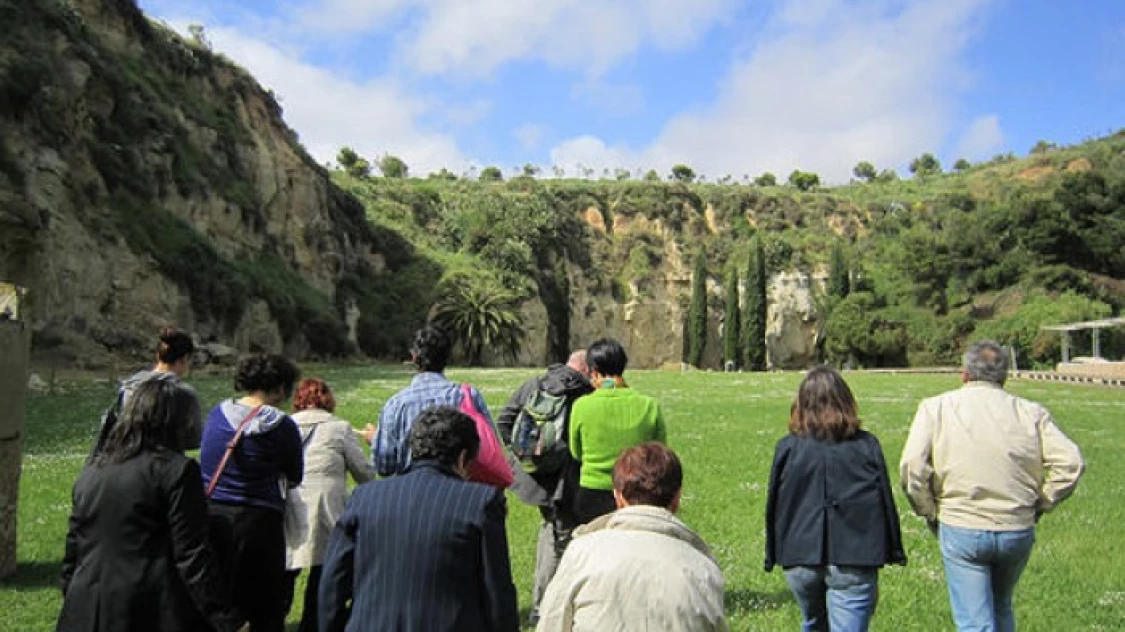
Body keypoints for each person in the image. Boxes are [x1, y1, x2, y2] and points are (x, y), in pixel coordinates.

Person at [900, 341, 1084, 632]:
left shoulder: (936, 408)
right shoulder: (1030, 412)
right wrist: (1042, 501)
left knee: (975, 622)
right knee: (1000, 607)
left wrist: (929, 511)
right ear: (1004, 375)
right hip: (1016, 526)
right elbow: (1071, 463)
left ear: (964, 373)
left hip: (961, 523)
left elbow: (912, 467)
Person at [58, 379, 247, 632]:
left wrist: (72, 593)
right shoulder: (177, 471)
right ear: (175, 420)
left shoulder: (94, 469)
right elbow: (192, 555)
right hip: (146, 608)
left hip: (86, 606)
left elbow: (74, 547)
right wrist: (225, 618)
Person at [319, 406, 519, 632]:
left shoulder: (365, 496)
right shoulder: (480, 502)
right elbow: (497, 591)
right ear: (463, 457)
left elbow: (333, 581)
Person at [764, 366, 905, 632]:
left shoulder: (788, 447)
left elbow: (775, 505)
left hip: (799, 553)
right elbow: (884, 500)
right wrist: (893, 549)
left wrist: (774, 553)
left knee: (813, 623)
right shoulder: (866, 446)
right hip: (854, 554)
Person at [537, 442, 726, 632]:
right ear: (677, 499)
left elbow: (552, 623)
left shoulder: (581, 553)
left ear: (618, 498)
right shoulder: (704, 569)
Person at [200, 353, 304, 632]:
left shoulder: (216, 414)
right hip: (260, 523)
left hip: (213, 517)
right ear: (281, 388)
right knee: (263, 607)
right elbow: (295, 475)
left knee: (221, 602)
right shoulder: (281, 426)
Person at [495, 349, 594, 625]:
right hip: (565, 478)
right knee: (561, 538)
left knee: (552, 530)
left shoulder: (536, 383)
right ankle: (547, 609)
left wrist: (525, 456)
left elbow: (505, 419)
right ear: (586, 369)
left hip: (534, 478)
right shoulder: (583, 393)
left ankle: (546, 606)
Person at [282, 378, 374, 632]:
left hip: (292, 503)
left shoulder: (285, 425)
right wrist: (373, 444)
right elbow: (365, 474)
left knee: (287, 570)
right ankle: (313, 624)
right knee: (324, 574)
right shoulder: (340, 428)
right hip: (327, 507)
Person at [367, 325, 494, 477]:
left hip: (410, 494)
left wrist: (375, 440)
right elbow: (489, 450)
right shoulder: (469, 396)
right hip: (461, 493)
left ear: (414, 357)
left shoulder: (396, 405)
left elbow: (384, 466)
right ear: (447, 357)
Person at [568, 337, 665, 524]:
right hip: (636, 494)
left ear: (594, 372)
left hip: (592, 493)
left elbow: (576, 451)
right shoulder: (649, 406)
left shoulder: (582, 406)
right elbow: (659, 454)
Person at [90, 326, 198, 459]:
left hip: (123, 459)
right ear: (185, 359)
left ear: (158, 355)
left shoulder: (129, 386)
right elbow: (193, 440)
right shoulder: (182, 393)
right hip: (162, 466)